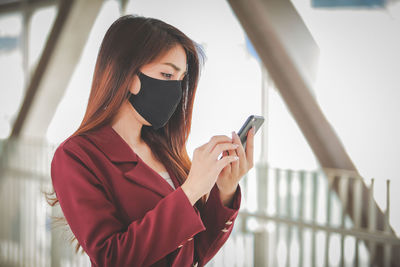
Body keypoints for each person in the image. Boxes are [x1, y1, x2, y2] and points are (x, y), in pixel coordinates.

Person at [46, 14, 255, 267]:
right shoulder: (76, 156)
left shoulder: (164, 148)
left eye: (181, 80)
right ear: (127, 74)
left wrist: (225, 190)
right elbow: (112, 257)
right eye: (167, 75)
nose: (176, 92)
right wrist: (190, 191)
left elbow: (196, 252)